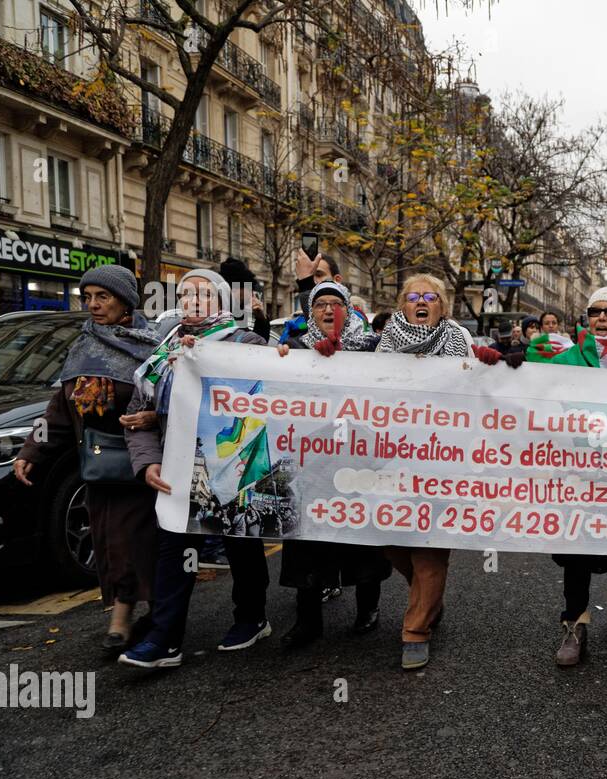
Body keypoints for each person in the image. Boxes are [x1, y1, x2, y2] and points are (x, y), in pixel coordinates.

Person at [118, 269, 274, 668]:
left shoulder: (245, 343)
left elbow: (274, 395)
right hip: (178, 470)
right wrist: (149, 461)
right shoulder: (164, 352)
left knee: (241, 543)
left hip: (231, 468)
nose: (192, 300)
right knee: (175, 550)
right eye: (185, 293)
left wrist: (284, 357)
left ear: (222, 303)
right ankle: (164, 640)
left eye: (203, 294)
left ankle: (251, 618)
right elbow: (138, 414)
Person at [14, 265, 160, 651]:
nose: (93, 305)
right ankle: (129, 614)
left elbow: (172, 399)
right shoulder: (82, 346)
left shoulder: (153, 345)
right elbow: (59, 410)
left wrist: (152, 416)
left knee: (136, 541)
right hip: (98, 466)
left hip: (143, 464)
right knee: (109, 541)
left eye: (103, 297)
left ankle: (136, 618)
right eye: (88, 297)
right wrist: (33, 450)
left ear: (125, 301)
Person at [375, 273, 513, 668]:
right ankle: (428, 599)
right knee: (392, 542)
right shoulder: (382, 345)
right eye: (413, 296)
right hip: (393, 461)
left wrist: (494, 366)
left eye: (430, 297)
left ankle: (415, 630)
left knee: (429, 547)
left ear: (443, 306)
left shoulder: (462, 343)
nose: (422, 302)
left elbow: (491, 393)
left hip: (444, 463)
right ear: (402, 305)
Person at [524, 284, 607, 666]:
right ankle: (574, 623)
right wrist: (510, 365)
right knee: (576, 546)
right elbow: (534, 384)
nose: (601, 317)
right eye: (595, 311)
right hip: (576, 471)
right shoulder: (568, 358)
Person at [273, 281, 390, 648]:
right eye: (320, 304)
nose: (328, 310)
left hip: (359, 456)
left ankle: (367, 609)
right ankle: (308, 620)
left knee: (361, 534)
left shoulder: (372, 349)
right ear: (311, 312)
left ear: (348, 310)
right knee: (307, 537)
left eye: (336, 304)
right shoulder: (294, 349)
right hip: (312, 458)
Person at [218, 257, 269, 340]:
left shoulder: (239, 312)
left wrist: (261, 319)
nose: (252, 295)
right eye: (250, 288)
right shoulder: (219, 316)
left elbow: (257, 344)